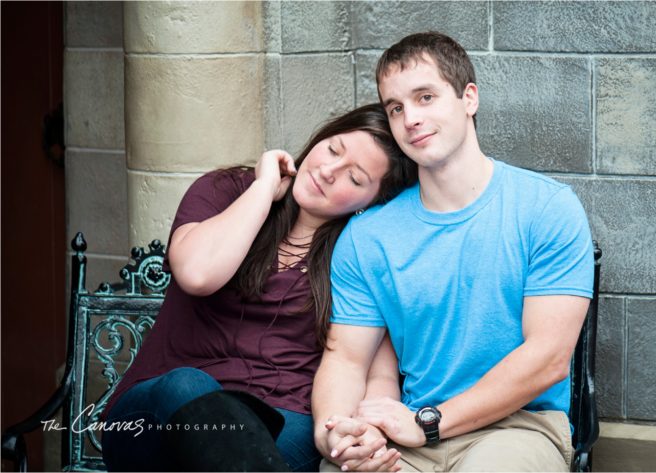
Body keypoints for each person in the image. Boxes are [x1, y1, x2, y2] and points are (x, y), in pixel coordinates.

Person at [312, 32, 594, 473]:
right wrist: (337, 432)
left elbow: (548, 359)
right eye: (396, 108)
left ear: (469, 99)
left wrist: (429, 423)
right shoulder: (368, 236)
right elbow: (346, 358)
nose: (411, 119)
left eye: (425, 97)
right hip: (405, 433)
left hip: (516, 429)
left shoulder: (546, 208)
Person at [101, 104, 417, 472]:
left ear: (372, 203)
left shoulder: (359, 252)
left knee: (278, 440)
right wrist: (264, 189)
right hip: (160, 417)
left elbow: (375, 370)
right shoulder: (225, 191)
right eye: (333, 149)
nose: (328, 171)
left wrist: (368, 432)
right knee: (188, 386)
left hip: (280, 426)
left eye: (355, 179)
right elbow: (198, 274)